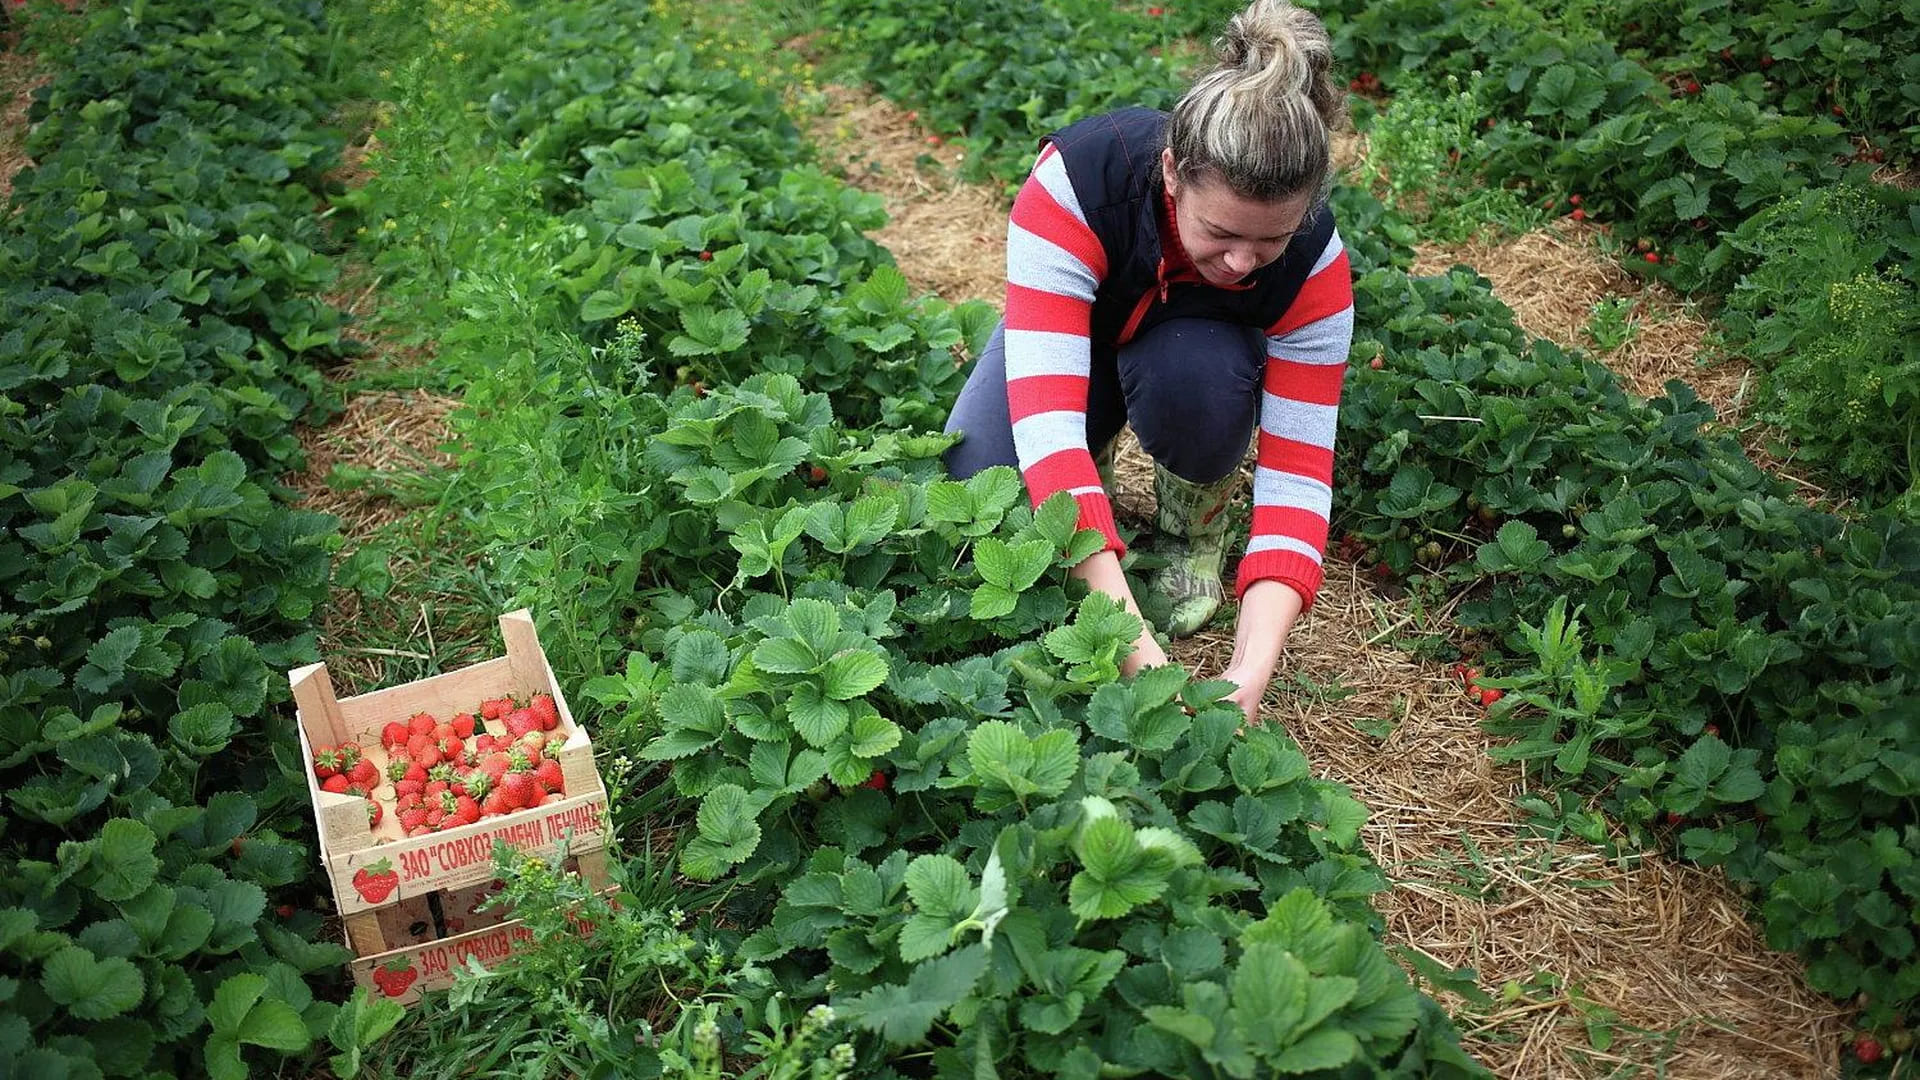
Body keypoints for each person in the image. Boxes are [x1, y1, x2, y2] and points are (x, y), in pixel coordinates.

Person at [942, 0, 1353, 724]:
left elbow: (1298, 478)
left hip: (1195, 359)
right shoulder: (1076, 181)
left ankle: (1193, 529)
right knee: (978, 482)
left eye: (1269, 242)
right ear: (1171, 172)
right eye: (1221, 231)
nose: (1240, 260)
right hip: (1081, 341)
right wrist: (1138, 652)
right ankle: (1091, 486)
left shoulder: (1316, 268)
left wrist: (1251, 671)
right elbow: (1045, 428)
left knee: (1197, 376)